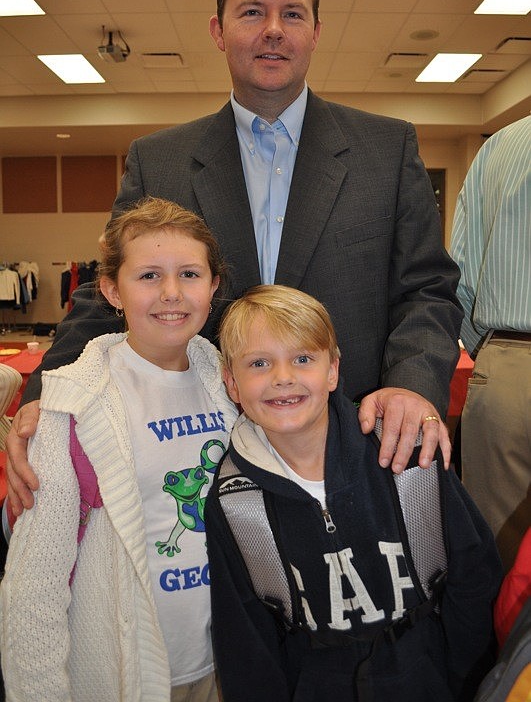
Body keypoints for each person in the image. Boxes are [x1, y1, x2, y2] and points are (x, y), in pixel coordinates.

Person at [6, 0, 463, 513]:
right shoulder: (159, 161)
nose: (273, 28)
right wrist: (47, 394)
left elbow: (427, 289)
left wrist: (413, 384)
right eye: (252, 12)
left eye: (291, 13)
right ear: (219, 31)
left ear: (315, 32)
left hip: (355, 445)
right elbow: (110, 295)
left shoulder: (385, 149)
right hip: (197, 457)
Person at [205, 285, 503, 702]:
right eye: (259, 363)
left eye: (303, 358)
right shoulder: (235, 501)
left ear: (333, 370)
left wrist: (469, 681)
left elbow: (474, 573)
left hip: (428, 676)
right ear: (232, 383)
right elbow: (244, 640)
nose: (283, 377)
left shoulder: (405, 454)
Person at [0, 197, 238, 702]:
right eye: (149, 276)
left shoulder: (233, 388)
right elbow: (34, 588)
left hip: (228, 664)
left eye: (190, 275)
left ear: (214, 286)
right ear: (111, 289)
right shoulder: (73, 409)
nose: (172, 294)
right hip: (126, 674)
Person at [450, 114, 530, 572]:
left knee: (501, 561)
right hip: (505, 358)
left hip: (508, 367)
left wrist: (493, 356)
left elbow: (459, 275)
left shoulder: (504, 144)